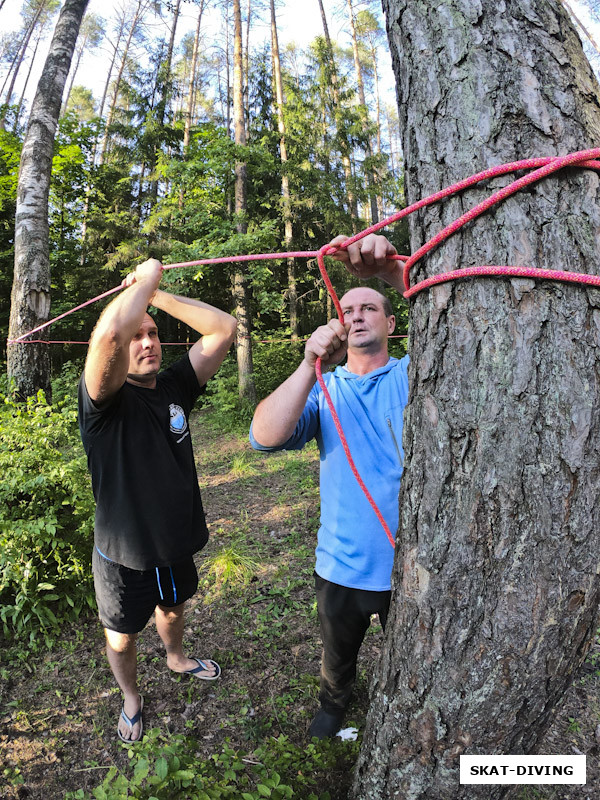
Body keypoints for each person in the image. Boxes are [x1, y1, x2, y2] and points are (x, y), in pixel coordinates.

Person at [249, 233, 409, 739]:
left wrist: (387, 272)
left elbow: (452, 303)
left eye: (370, 307)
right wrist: (305, 363)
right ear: (339, 325)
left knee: (415, 656)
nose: (358, 313)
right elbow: (264, 437)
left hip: (411, 564)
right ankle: (334, 702)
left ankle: (407, 710)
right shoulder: (324, 389)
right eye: (348, 309)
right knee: (337, 654)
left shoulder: (416, 373)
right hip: (340, 563)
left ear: (389, 322)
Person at [78, 258, 237, 743]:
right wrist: (146, 276)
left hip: (175, 543)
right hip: (122, 557)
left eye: (153, 333)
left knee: (173, 607)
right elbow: (107, 338)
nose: (147, 341)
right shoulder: (102, 402)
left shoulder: (173, 387)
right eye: (137, 335)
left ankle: (175, 657)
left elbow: (223, 329)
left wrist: (157, 295)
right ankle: (130, 696)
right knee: (121, 637)